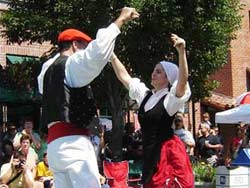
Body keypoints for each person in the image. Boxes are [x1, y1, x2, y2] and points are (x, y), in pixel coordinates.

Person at [37, 7, 139, 188]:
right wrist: (120, 21)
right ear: (75, 45)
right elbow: (97, 54)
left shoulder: (46, 72)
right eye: (83, 46)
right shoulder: (70, 65)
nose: (85, 50)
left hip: (54, 148)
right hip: (73, 144)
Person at [110, 34, 194, 187]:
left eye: (159, 72)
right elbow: (125, 78)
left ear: (168, 79)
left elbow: (182, 82)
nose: (153, 73)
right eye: (154, 70)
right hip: (150, 154)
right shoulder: (147, 96)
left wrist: (181, 52)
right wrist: (112, 56)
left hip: (167, 155)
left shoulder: (170, 100)